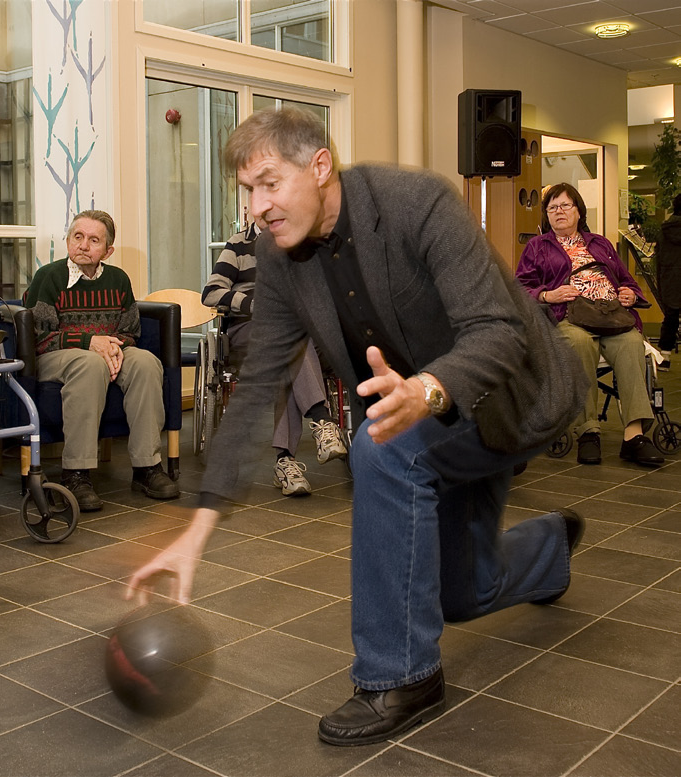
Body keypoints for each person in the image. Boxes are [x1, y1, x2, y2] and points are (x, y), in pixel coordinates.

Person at [127, 108, 588, 747]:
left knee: (380, 447)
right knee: (460, 592)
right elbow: (262, 380)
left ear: (320, 166)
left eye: (269, 183)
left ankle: (400, 676)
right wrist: (198, 527)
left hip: (514, 396)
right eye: (247, 191)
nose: (257, 205)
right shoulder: (280, 252)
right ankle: (549, 550)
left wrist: (425, 390)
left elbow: (497, 330)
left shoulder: (417, 203)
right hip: (432, 420)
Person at [23, 209, 179, 511]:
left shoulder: (118, 280)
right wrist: (89, 343)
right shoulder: (49, 278)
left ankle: (147, 467)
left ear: (107, 250)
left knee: (146, 363)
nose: (83, 245)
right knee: (89, 364)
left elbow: (130, 330)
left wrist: (114, 346)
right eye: (77, 237)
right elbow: (38, 337)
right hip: (54, 357)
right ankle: (75, 473)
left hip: (107, 350)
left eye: (93, 240)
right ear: (68, 241)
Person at [516, 183, 662, 467]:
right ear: (546, 215)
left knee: (632, 343)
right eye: (552, 207)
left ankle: (634, 436)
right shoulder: (538, 246)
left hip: (612, 316)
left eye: (565, 205)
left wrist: (630, 293)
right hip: (569, 316)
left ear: (578, 211)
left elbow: (627, 280)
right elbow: (520, 288)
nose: (559, 212)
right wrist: (548, 294)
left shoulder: (600, 244)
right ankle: (588, 432)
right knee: (578, 343)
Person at [203, 220, 347, 496]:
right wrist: (253, 305)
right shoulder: (238, 245)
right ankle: (322, 420)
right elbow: (211, 293)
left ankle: (285, 462)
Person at [656, 193, 681, 370]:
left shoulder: (665, 230)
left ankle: (664, 356)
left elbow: (658, 257)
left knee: (670, 317)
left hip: (670, 277)